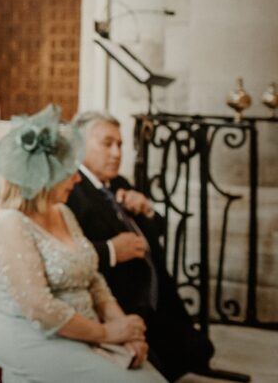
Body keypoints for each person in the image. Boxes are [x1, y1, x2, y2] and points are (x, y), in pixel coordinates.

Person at [0, 104, 165, 383]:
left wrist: (121, 324)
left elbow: (94, 279)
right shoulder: (9, 224)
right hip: (32, 338)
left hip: (85, 330)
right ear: (44, 175)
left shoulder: (62, 213)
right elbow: (40, 308)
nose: (78, 178)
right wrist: (107, 333)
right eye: (70, 171)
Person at [67, 111, 214, 381]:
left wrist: (146, 210)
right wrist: (112, 250)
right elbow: (68, 254)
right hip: (122, 300)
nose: (116, 153)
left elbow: (156, 232)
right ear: (79, 145)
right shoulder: (73, 190)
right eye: (107, 143)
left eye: (120, 145)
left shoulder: (119, 183)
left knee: (199, 350)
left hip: (158, 297)